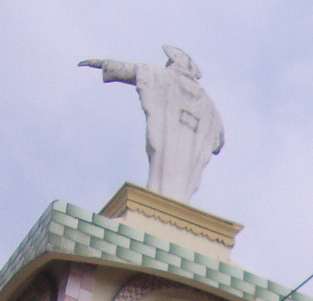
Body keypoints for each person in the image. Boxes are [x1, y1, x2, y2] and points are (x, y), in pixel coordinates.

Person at [77, 45, 225, 203]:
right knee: (181, 173)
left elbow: (131, 70)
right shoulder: (209, 104)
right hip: (190, 149)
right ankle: (170, 202)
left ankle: (164, 203)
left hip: (171, 137)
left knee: (164, 165)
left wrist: (102, 63)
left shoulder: (162, 75)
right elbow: (218, 142)